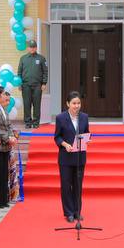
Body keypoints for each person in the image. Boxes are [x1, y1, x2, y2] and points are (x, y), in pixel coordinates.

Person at [54, 92, 90, 222]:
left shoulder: (84, 117)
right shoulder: (60, 118)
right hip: (66, 157)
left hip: (80, 156)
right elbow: (57, 137)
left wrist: (88, 139)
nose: (76, 106)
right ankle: (68, 212)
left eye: (78, 103)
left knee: (78, 185)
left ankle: (77, 211)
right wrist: (64, 144)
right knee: (66, 185)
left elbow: (87, 132)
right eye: (74, 103)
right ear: (68, 104)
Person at [0, 86, 18, 208]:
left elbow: (8, 125)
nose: (6, 96)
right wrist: (7, 138)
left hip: (6, 146)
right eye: (3, 94)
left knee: (3, 174)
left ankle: (3, 199)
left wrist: (12, 136)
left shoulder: (3, 108)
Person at [18, 40, 48, 129]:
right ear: (28, 48)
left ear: (36, 48)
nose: (32, 48)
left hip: (37, 85)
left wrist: (44, 83)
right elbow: (19, 71)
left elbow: (45, 71)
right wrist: (20, 83)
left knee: (36, 104)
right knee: (27, 104)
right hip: (25, 85)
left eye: (34, 47)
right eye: (30, 47)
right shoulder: (23, 58)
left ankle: (36, 123)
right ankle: (27, 122)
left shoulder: (41, 58)